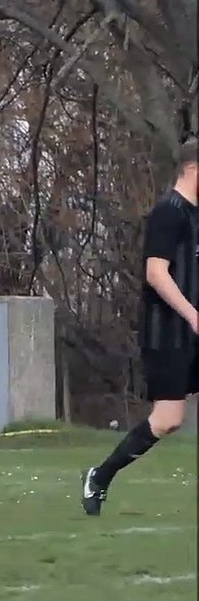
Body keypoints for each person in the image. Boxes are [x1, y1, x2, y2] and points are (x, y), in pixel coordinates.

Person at [82, 138, 198, 515]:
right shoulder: (168, 213)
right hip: (168, 333)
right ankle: (99, 476)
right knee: (168, 419)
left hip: (192, 330)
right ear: (192, 169)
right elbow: (156, 273)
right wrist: (191, 314)